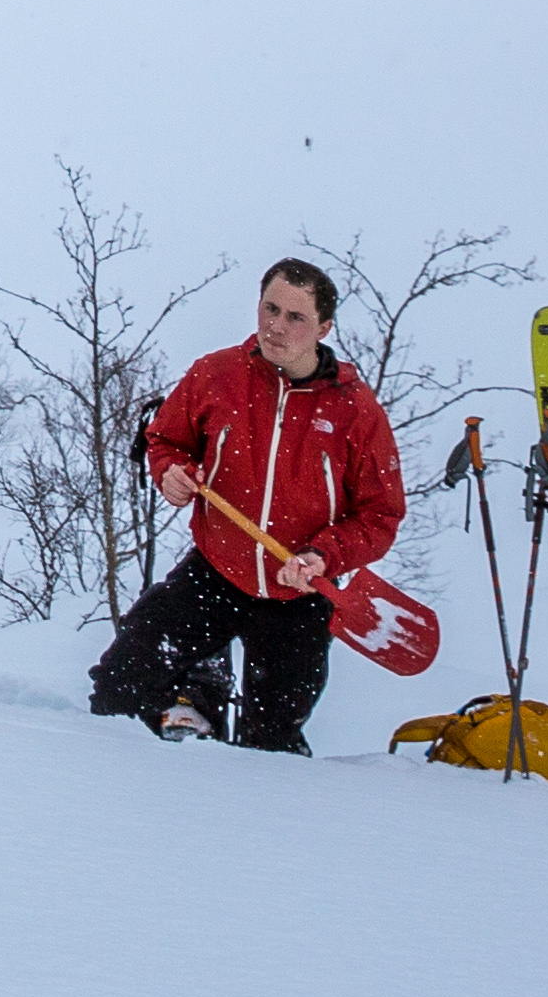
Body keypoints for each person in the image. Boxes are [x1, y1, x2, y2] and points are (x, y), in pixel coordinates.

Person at [86, 257, 406, 753]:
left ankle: (254, 815)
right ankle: (195, 705)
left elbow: (380, 515)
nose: (276, 327)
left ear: (323, 327)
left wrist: (323, 555)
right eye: (270, 308)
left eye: (295, 318)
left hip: (298, 595)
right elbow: (166, 439)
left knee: (271, 740)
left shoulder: (355, 411)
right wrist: (171, 472)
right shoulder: (216, 375)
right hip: (215, 572)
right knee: (120, 685)